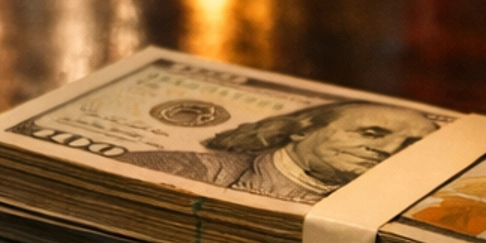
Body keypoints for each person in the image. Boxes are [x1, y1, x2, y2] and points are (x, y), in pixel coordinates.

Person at [121, 95, 441, 203]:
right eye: (372, 133)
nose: (390, 151)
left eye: (412, 145)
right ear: (304, 129)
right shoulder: (162, 167)